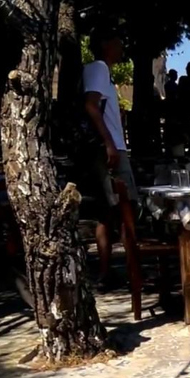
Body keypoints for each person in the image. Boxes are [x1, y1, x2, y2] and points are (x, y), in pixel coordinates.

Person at [82, 26, 138, 288]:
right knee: (125, 209)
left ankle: (109, 272)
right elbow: (90, 105)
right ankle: (133, 271)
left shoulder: (102, 72)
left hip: (111, 146)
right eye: (118, 41)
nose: (122, 46)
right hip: (111, 148)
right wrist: (109, 143)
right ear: (105, 43)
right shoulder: (98, 68)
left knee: (108, 213)